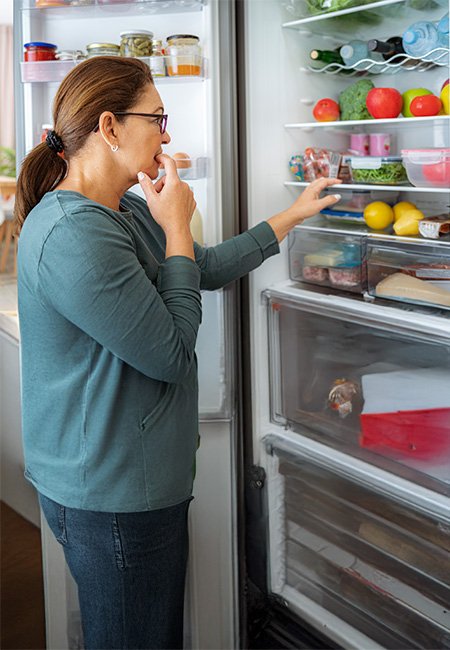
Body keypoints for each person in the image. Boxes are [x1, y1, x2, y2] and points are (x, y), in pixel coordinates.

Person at [14, 55, 341, 650]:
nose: (167, 134)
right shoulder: (73, 233)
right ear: (110, 128)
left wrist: (294, 213)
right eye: (156, 117)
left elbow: (202, 268)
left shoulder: (123, 209)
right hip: (111, 492)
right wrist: (180, 227)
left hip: (130, 479)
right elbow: (169, 351)